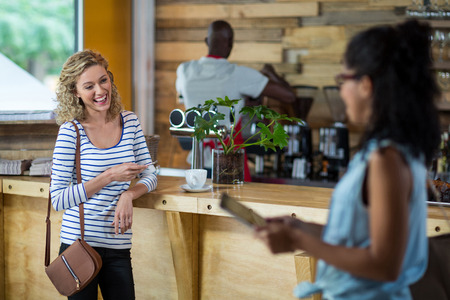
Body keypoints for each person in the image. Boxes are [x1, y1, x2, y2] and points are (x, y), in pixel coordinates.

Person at [255, 20, 441, 300]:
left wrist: (297, 240)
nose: (341, 91)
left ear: (365, 85)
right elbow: (360, 239)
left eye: (343, 80)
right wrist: (301, 227)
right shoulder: (396, 150)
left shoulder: (386, 158)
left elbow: (384, 265)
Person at [50, 50, 158, 300]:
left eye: (103, 80)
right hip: (79, 247)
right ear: (75, 92)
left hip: (119, 247)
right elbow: (58, 199)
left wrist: (129, 194)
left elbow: (150, 174)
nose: (100, 91)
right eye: (89, 86)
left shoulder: (129, 122)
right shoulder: (71, 132)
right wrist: (108, 176)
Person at [176, 20, 296, 180]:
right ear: (231, 44)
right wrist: (270, 72)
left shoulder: (184, 70)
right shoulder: (239, 74)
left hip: (197, 163)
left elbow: (186, 98)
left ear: (206, 41)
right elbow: (289, 95)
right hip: (229, 160)